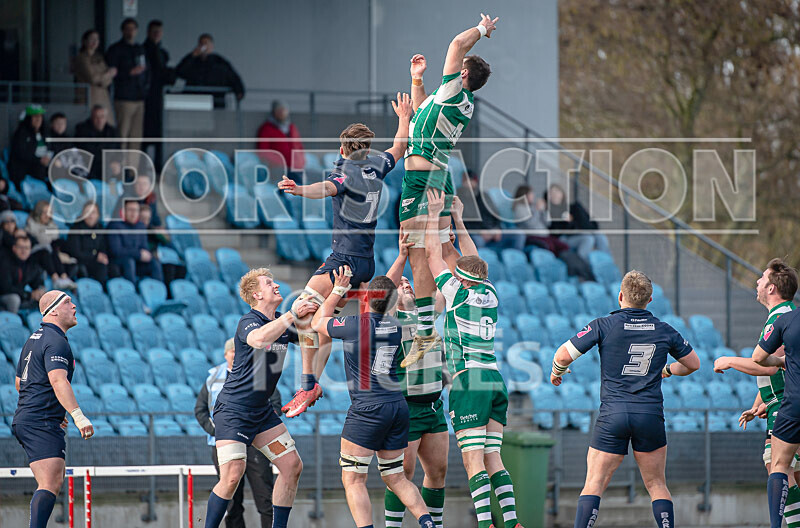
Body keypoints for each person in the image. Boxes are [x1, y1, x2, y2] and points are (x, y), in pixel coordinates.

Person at [277, 93, 413, 418]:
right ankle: (313, 385)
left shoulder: (343, 172)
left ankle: (309, 383)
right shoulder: (377, 165)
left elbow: (325, 189)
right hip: (368, 260)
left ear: (342, 149)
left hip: (344, 259)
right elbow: (399, 148)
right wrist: (404, 118)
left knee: (304, 313)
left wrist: (298, 190)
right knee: (325, 319)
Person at [549, 270, 700, 528]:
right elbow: (693, 364)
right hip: (649, 415)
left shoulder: (603, 325)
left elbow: (562, 356)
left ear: (620, 296)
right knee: (656, 484)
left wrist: (557, 372)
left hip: (613, 415)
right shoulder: (664, 329)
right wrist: (666, 370)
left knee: (594, 483)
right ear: (650, 300)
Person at [400, 14, 497, 367]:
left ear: (464, 75)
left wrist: (482, 31)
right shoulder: (454, 99)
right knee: (440, 246)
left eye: (459, 69)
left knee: (418, 250)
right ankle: (473, 290)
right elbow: (424, 106)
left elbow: (457, 44)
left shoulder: (457, 90)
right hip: (436, 175)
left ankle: (425, 330)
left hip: (423, 179)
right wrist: (416, 80)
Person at [423, 189, 522, 528]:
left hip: (469, 380)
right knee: (494, 456)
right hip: (495, 378)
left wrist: (436, 216)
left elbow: (434, 255)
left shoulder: (456, 292)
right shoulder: (490, 291)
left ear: (460, 277)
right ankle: (511, 522)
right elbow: (474, 257)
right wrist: (460, 220)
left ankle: (485, 525)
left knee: (473, 461)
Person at [310, 268, 436, 528]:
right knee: (397, 478)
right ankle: (428, 523)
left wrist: (337, 290)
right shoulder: (394, 326)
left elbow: (317, 323)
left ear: (366, 296)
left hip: (368, 409)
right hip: (397, 407)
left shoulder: (355, 324)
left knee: (354, 479)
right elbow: (385, 306)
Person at [203, 268, 316, 528]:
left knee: (292, 465)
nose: (276, 285)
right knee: (232, 475)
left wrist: (334, 298)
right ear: (256, 294)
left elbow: (315, 335)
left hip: (261, 413)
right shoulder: (249, 321)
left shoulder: (284, 323)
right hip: (233, 411)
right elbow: (257, 339)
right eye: (269, 283)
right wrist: (292, 314)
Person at [715, 258, 800, 527]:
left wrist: (729, 360)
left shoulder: (782, 317)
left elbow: (769, 367)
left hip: (787, 406)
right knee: (785, 470)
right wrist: (758, 402)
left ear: (772, 288)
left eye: (762, 278)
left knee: (780, 468)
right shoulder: (782, 315)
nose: (757, 282)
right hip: (777, 402)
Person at [12, 290, 94, 528]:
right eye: (68, 302)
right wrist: (78, 416)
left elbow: (20, 383)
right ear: (53, 310)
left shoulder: (33, 339)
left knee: (49, 481)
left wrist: (49, 405)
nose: (74, 306)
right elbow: (59, 381)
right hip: (40, 421)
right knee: (51, 481)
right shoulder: (56, 341)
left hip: (27, 418)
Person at [383, 231, 449, 528]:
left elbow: (443, 284)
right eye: (401, 284)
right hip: (405, 406)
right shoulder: (388, 321)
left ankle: (434, 524)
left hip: (433, 404)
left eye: (408, 281)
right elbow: (380, 293)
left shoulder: (426, 314)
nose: (406, 284)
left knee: (438, 472)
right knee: (402, 474)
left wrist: (443, 240)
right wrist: (400, 258)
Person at [195, 338, 279, 528]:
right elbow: (200, 410)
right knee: (231, 500)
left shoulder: (259, 374)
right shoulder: (213, 377)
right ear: (225, 354)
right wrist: (218, 432)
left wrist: (257, 428)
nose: (235, 354)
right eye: (231, 351)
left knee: (266, 498)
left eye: (238, 350)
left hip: (255, 445)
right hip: (224, 444)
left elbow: (275, 405)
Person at [512, 185, 595, 281]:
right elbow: (531, 223)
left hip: (546, 236)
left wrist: (543, 211)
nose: (533, 196)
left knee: (565, 246)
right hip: (534, 236)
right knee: (554, 247)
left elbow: (547, 222)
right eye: (531, 193)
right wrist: (537, 210)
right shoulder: (520, 208)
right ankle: (574, 270)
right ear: (524, 195)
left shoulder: (533, 207)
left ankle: (579, 269)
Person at [105, 17, 148, 153]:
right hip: (123, 98)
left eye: (133, 29)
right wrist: (129, 72)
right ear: (123, 31)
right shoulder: (115, 49)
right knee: (122, 135)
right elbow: (112, 73)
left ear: (137, 31)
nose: (130, 32)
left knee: (136, 137)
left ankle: (132, 170)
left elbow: (147, 71)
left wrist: (145, 87)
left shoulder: (140, 48)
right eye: (127, 29)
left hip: (139, 97)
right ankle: (119, 169)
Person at [175, 33, 244, 108]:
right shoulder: (192, 61)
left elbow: (233, 77)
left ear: (211, 46)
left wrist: (239, 91)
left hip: (215, 102)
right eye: (201, 44)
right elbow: (179, 72)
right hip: (194, 102)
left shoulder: (220, 62)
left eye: (206, 43)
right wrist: (192, 56)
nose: (204, 46)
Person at [546, 183, 611, 260]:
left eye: (556, 191)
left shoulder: (573, 207)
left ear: (562, 193)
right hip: (563, 238)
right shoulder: (549, 211)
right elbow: (556, 231)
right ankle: (580, 265)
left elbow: (592, 224)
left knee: (600, 236)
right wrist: (569, 223)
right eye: (551, 193)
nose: (554, 195)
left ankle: (606, 263)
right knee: (588, 239)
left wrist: (574, 223)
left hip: (577, 233)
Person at [142, 20, 174, 172]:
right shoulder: (142, 50)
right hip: (145, 97)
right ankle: (142, 166)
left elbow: (166, 73)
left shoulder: (163, 53)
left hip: (159, 97)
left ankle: (159, 166)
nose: (156, 34)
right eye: (154, 31)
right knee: (144, 133)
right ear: (148, 32)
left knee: (159, 133)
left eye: (159, 32)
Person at [107, 200, 163, 283]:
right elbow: (116, 251)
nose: (133, 214)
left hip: (137, 262)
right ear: (123, 211)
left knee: (154, 262)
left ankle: (159, 290)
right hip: (118, 263)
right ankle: (132, 292)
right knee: (129, 261)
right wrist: (138, 254)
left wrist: (147, 254)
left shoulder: (140, 226)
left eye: (136, 210)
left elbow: (144, 247)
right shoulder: (114, 225)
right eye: (130, 210)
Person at [25, 200, 76, 290]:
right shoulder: (31, 223)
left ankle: (64, 277)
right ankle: (55, 279)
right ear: (38, 212)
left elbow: (53, 239)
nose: (47, 215)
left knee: (53, 250)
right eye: (44, 212)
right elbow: (40, 240)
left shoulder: (52, 224)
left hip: (50, 251)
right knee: (47, 251)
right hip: (35, 252)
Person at [73, 29, 117, 123]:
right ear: (85, 41)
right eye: (91, 39)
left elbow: (108, 80)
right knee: (92, 123)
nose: (94, 42)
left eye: (97, 39)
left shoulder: (99, 57)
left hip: (103, 96)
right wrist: (108, 74)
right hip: (88, 96)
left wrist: (103, 78)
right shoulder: (81, 58)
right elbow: (92, 78)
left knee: (106, 124)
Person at [456, 170, 508, 249]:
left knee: (517, 236)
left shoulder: (484, 196)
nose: (469, 183)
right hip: (474, 233)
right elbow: (463, 221)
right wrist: (479, 232)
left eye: (471, 180)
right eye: (466, 181)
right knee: (478, 241)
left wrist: (498, 228)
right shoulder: (460, 197)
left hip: (492, 230)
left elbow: (496, 215)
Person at [256, 101, 305, 177]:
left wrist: (301, 161)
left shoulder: (292, 127)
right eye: (279, 110)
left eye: (284, 110)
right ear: (274, 112)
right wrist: (277, 162)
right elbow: (263, 151)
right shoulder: (267, 129)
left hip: (296, 167)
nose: (282, 113)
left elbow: (299, 146)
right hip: (278, 169)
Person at [0, 234, 46, 313]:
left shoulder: (30, 263)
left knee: (44, 298)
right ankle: (12, 323)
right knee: (14, 299)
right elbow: (6, 288)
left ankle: (40, 323)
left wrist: (39, 290)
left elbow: (37, 280)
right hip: (4, 295)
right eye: (21, 247)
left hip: (22, 295)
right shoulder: (5, 262)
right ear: (14, 248)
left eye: (27, 248)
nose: (24, 251)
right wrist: (28, 295)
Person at [65, 202, 109, 284]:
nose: (90, 216)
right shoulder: (75, 229)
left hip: (95, 263)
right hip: (80, 263)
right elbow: (75, 252)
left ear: (98, 215)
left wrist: (103, 256)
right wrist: (95, 256)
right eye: (87, 212)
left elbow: (103, 247)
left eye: (93, 212)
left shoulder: (100, 229)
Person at [8, 104, 51, 187]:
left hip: (43, 167)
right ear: (28, 119)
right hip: (25, 171)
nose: (38, 119)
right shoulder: (21, 134)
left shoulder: (44, 132)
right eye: (35, 116)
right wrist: (39, 160)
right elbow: (21, 154)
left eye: (40, 116)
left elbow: (50, 148)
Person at [74, 105, 121, 180]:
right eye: (97, 117)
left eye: (102, 117)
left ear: (106, 118)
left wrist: (116, 162)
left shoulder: (113, 132)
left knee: (124, 173)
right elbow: (86, 151)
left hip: (109, 165)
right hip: (90, 165)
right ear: (92, 117)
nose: (100, 120)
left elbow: (119, 150)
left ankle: (114, 190)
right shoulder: (82, 129)